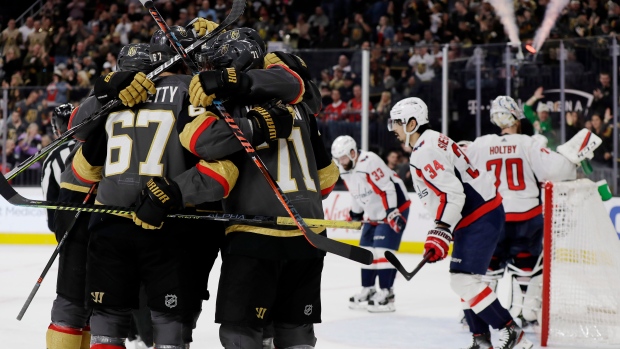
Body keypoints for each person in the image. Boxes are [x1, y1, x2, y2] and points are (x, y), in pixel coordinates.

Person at [71, 32, 237, 349]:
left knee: (107, 322)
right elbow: (222, 162)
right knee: (170, 322)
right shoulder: (189, 91)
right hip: (171, 223)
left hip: (110, 222)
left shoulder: (116, 98)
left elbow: (82, 164)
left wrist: (104, 90)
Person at [181, 27, 339, 349]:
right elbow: (326, 182)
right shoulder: (302, 105)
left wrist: (252, 127)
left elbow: (203, 143)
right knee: (297, 334)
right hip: (308, 235)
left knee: (241, 335)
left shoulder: (230, 105)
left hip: (255, 236)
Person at [387, 97, 533, 349]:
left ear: (412, 123)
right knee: (463, 278)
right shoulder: (430, 140)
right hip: (478, 213)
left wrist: (441, 230)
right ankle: (481, 339)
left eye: (398, 123)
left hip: (479, 214)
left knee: (463, 280)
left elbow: (452, 194)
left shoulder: (426, 149)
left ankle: (512, 334)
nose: (394, 129)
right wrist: (444, 229)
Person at [466, 96, 601, 328]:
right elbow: (558, 171)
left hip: (492, 217)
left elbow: (463, 170)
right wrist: (572, 159)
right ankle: (523, 314)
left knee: (488, 269)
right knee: (526, 267)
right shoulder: (529, 143)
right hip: (525, 217)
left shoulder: (480, 144)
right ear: (517, 118)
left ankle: (482, 315)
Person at [331, 135, 410, 312]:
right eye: (337, 159)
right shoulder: (345, 168)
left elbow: (387, 188)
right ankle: (369, 289)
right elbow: (356, 193)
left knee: (382, 250)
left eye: (343, 158)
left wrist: (391, 212)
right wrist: (356, 214)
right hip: (375, 212)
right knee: (366, 250)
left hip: (395, 207)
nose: (340, 162)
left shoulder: (370, 161)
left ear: (352, 153)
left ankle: (387, 295)